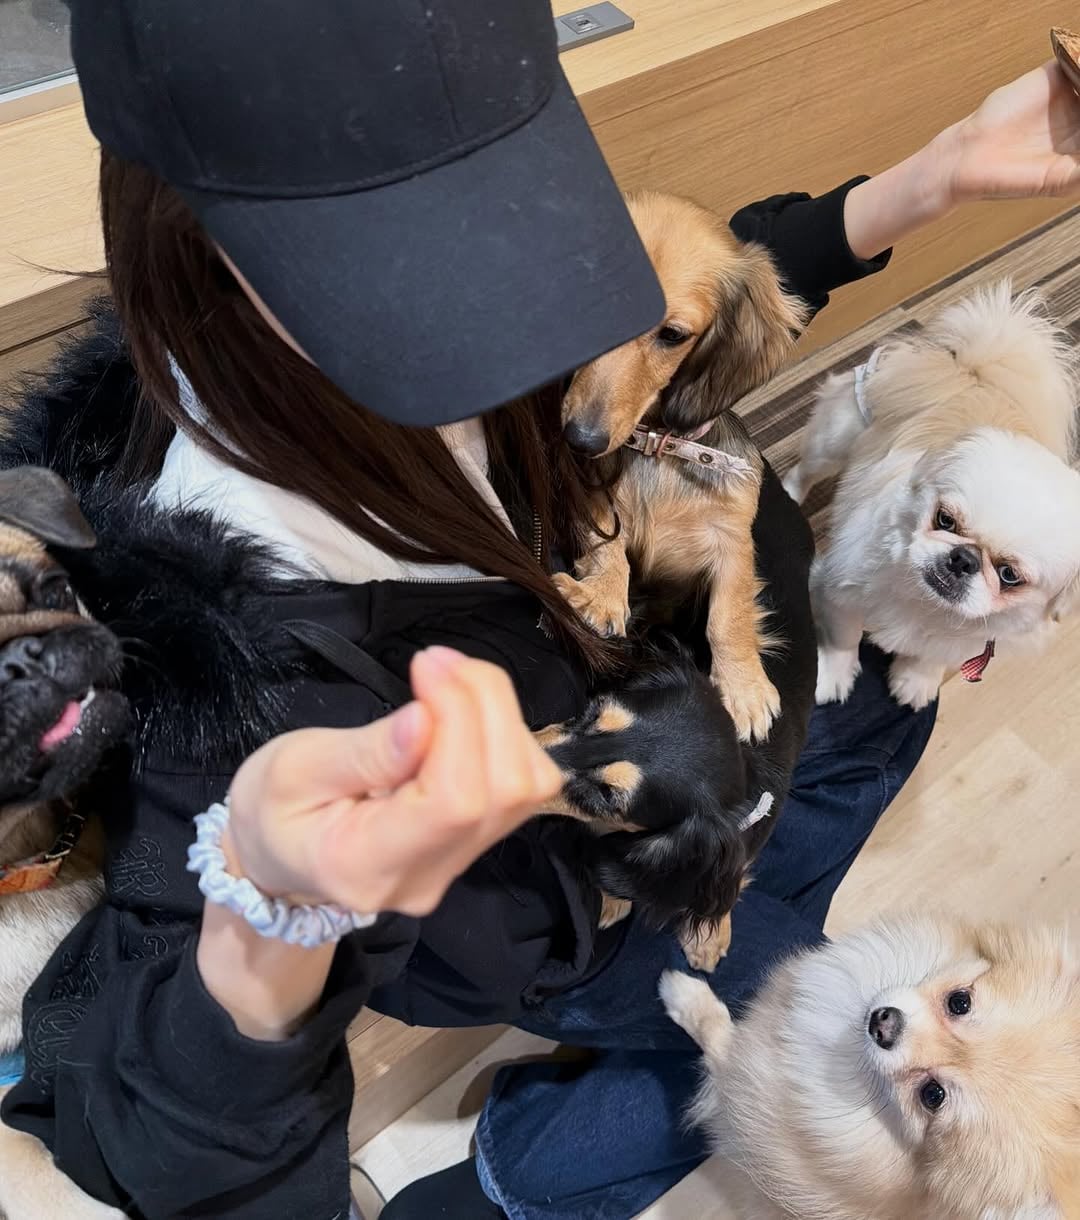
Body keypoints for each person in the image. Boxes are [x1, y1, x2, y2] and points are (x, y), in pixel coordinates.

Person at [1, 1, 1078, 1217]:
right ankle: (513, 1168)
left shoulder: (440, 355)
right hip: (595, 910)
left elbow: (681, 303)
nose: (521, 299)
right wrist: (267, 930)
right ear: (194, 234)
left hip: (716, 739)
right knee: (796, 1014)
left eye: (507, 204)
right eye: (404, 224)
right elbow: (156, 1121)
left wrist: (929, 181)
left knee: (873, 754)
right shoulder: (233, 674)